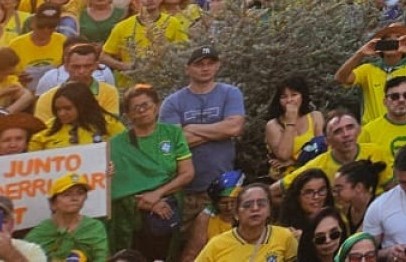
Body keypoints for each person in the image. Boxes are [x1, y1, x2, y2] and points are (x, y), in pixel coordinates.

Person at [163, 46, 248, 262]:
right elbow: (174, 144)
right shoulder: (173, 102)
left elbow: (234, 127)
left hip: (223, 192)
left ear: (218, 65)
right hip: (185, 192)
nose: (205, 68)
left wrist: (191, 129)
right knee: (182, 251)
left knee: (223, 249)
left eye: (210, 63)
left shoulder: (230, 93)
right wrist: (217, 131)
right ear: (187, 69)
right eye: (199, 64)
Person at [110, 83, 196, 259]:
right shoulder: (117, 144)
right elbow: (117, 186)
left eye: (145, 105)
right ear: (128, 115)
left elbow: (187, 173)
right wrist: (147, 203)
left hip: (167, 208)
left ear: (157, 106)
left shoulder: (172, 133)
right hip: (132, 217)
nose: (142, 111)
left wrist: (157, 194)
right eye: (135, 108)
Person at [193, 181, 298, 262]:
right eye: (247, 205)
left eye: (261, 204)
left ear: (269, 210)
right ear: (236, 214)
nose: (255, 208)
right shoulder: (217, 244)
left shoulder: (285, 237)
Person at [24, 174, 110, 262]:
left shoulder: (94, 227)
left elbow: (101, 258)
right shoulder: (39, 233)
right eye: (67, 194)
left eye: (80, 193)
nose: (75, 198)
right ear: (53, 203)